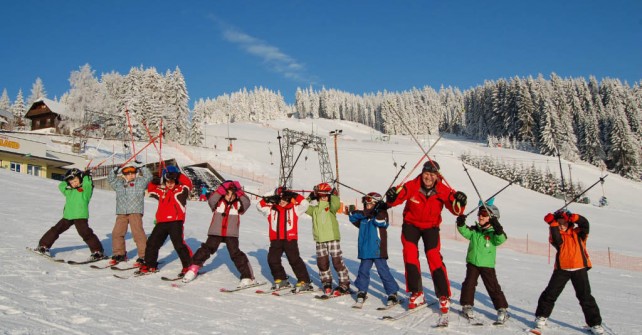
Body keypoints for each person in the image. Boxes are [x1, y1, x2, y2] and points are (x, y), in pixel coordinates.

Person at [385, 160, 467, 315]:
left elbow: (457, 210)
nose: (428, 177)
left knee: (433, 256)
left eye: (432, 174)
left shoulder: (443, 190)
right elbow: (397, 198)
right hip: (411, 225)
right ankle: (416, 292)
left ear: (437, 176)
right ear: (421, 173)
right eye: (426, 173)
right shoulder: (412, 185)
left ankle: (443, 295)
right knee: (410, 255)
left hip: (431, 227)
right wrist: (391, 196)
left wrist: (461, 201)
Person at [533, 209, 605, 335]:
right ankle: (541, 316)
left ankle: (595, 324)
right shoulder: (556, 234)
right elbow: (556, 240)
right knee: (550, 294)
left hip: (579, 269)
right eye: (559, 222)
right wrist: (553, 224)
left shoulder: (579, 233)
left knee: (585, 297)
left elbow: (585, 224)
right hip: (562, 269)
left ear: (569, 222)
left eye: (563, 222)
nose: (561, 224)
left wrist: (574, 217)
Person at [182, 180, 256, 287]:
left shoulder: (238, 204)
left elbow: (247, 202)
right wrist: (222, 189)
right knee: (206, 249)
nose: (229, 196)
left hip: (231, 233)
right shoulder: (218, 202)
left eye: (232, 194)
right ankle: (193, 268)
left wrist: (239, 191)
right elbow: (211, 199)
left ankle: (247, 276)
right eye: (227, 193)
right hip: (216, 232)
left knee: (235, 253)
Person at [456, 200, 509, 324]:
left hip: (487, 265)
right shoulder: (475, 230)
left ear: (491, 218)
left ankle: (502, 308)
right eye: (480, 214)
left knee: (493, 287)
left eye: (484, 215)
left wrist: (498, 228)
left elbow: (501, 239)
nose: (480, 216)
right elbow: (464, 231)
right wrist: (460, 223)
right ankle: (467, 305)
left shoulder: (493, 234)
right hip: (473, 263)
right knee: (469, 284)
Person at [36, 168, 104, 260]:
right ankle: (43, 246)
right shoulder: (69, 191)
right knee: (55, 230)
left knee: (85, 233)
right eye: (71, 182)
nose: (74, 183)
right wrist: (68, 182)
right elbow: (61, 185)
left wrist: (85, 176)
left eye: (75, 181)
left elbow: (88, 183)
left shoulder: (85, 190)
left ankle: (97, 251)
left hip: (80, 216)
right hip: (68, 216)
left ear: (80, 178)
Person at [137, 166, 194, 277]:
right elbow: (151, 189)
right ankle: (150, 264)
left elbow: (188, 183)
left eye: (172, 181)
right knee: (152, 243)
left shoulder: (181, 190)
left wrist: (177, 174)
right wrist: (156, 180)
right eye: (168, 181)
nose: (170, 184)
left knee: (179, 244)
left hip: (176, 221)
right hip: (161, 222)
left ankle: (188, 265)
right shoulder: (162, 191)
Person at [256, 187, 312, 292]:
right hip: (275, 239)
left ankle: (304, 281)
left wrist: (294, 195)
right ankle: (281, 279)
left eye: (285, 200)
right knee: (272, 259)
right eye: (280, 200)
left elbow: (305, 204)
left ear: (289, 199)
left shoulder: (294, 209)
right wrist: (267, 199)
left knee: (294, 260)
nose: (282, 202)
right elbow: (259, 206)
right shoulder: (271, 210)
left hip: (290, 239)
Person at [348, 192, 399, 305]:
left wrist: (378, 211)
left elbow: (381, 222)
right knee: (363, 271)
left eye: (370, 204)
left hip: (378, 250)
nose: (367, 206)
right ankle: (362, 291)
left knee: (383, 271)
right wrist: (367, 212)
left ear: (376, 204)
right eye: (366, 204)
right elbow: (352, 216)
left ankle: (392, 292)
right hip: (365, 250)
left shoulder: (382, 214)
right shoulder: (364, 218)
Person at [305, 182, 351, 296]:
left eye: (326, 196)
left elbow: (336, 204)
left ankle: (344, 283)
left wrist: (333, 195)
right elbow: (302, 206)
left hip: (332, 238)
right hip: (320, 239)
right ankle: (326, 282)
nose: (324, 198)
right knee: (322, 263)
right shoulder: (314, 209)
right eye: (321, 196)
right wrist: (310, 196)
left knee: (337, 262)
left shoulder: (330, 207)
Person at [107, 163, 153, 266]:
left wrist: (142, 167)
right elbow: (110, 179)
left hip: (135, 211)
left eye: (133, 173)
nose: (130, 175)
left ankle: (144, 255)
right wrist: (114, 170)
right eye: (127, 173)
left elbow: (149, 177)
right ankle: (119, 254)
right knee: (117, 233)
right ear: (123, 175)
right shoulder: (119, 183)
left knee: (137, 233)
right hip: (122, 211)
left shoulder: (140, 182)